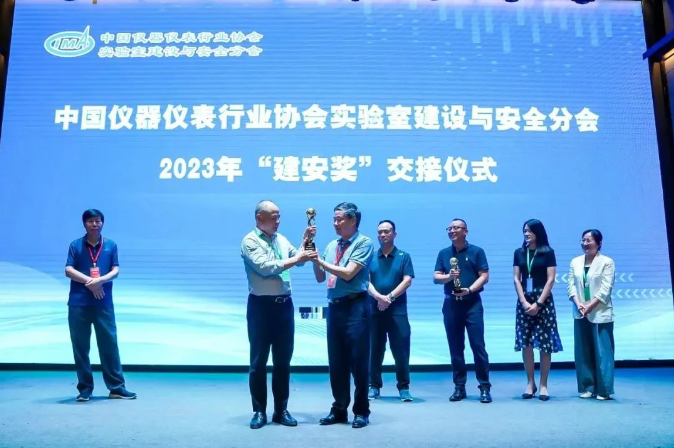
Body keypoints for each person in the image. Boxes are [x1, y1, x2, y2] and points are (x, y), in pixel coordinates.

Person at [241, 200, 317, 429]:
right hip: (261, 307)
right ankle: (259, 411)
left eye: (279, 216)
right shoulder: (250, 241)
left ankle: (281, 410)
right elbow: (266, 268)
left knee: (283, 361)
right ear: (259, 218)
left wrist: (305, 241)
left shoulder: (280, 239)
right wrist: (297, 259)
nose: (278, 221)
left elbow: (298, 260)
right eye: (274, 217)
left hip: (284, 306)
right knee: (259, 361)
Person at [312, 202, 374, 428]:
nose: (335, 223)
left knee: (359, 361)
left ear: (353, 220)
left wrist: (321, 262)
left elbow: (348, 273)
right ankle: (339, 409)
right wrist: (314, 258)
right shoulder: (331, 245)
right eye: (334, 219)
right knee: (336, 361)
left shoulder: (364, 242)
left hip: (356, 306)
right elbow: (320, 277)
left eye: (340, 219)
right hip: (335, 307)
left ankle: (361, 411)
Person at [65, 209, 136, 402]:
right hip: (79, 303)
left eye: (98, 221)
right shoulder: (75, 245)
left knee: (109, 345)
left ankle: (117, 388)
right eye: (90, 221)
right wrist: (90, 282)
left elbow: (116, 270)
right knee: (81, 347)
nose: (94, 224)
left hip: (103, 302)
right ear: (84, 224)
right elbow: (68, 269)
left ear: (102, 223)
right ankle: (85, 389)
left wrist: (100, 281)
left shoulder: (110, 245)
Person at [433, 218, 492, 404]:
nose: (452, 231)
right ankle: (459, 387)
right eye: (449, 228)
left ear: (465, 231)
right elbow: (436, 277)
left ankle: (484, 386)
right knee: (456, 348)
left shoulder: (477, 251)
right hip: (451, 305)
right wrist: (449, 276)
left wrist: (470, 290)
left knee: (478, 346)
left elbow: (484, 276)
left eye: (456, 228)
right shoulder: (444, 253)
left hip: (472, 304)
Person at [513, 219, 563, 401]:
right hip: (524, 301)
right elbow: (516, 278)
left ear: (538, 232)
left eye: (530, 231)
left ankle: (543, 385)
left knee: (544, 343)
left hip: (543, 301)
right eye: (524, 230)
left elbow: (551, 279)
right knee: (526, 342)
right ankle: (530, 382)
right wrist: (523, 301)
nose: (526, 233)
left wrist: (539, 303)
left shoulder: (548, 252)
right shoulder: (519, 252)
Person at [367, 220, 415, 402]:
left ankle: (404, 387)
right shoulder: (370, 257)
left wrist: (389, 298)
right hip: (374, 310)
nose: (382, 235)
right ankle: (374, 386)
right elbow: (365, 281)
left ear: (394, 234)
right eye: (379, 232)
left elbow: (407, 281)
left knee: (401, 350)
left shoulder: (404, 256)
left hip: (398, 311)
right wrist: (379, 298)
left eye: (386, 231)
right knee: (374, 350)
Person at [567, 229, 616, 401]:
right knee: (583, 351)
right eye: (583, 240)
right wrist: (578, 303)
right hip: (580, 311)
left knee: (603, 352)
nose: (585, 243)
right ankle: (588, 386)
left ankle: (604, 389)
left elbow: (606, 289)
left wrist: (590, 306)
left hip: (600, 312)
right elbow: (571, 286)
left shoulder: (607, 262)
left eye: (588, 240)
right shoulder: (575, 262)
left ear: (599, 243)